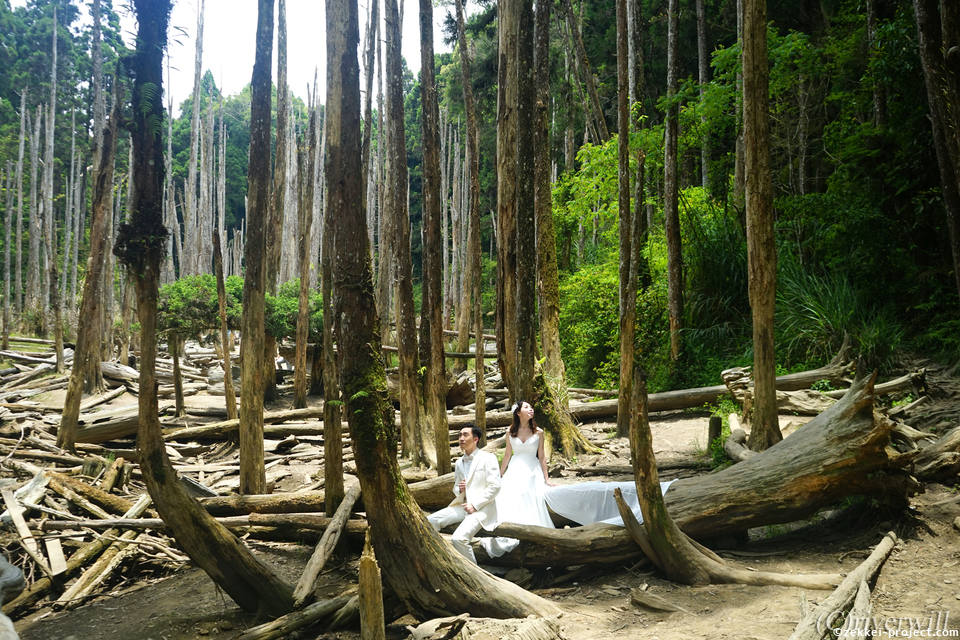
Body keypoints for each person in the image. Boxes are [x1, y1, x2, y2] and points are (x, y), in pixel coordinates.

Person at [427, 426, 501, 564]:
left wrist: (475, 505)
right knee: (429, 521)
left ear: (475, 439)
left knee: (459, 539)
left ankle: (475, 574)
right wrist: (460, 489)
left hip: (482, 509)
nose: (461, 438)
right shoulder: (459, 462)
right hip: (462, 506)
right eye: (460, 435)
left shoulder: (488, 458)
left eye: (465, 435)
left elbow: (495, 486)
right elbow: (456, 487)